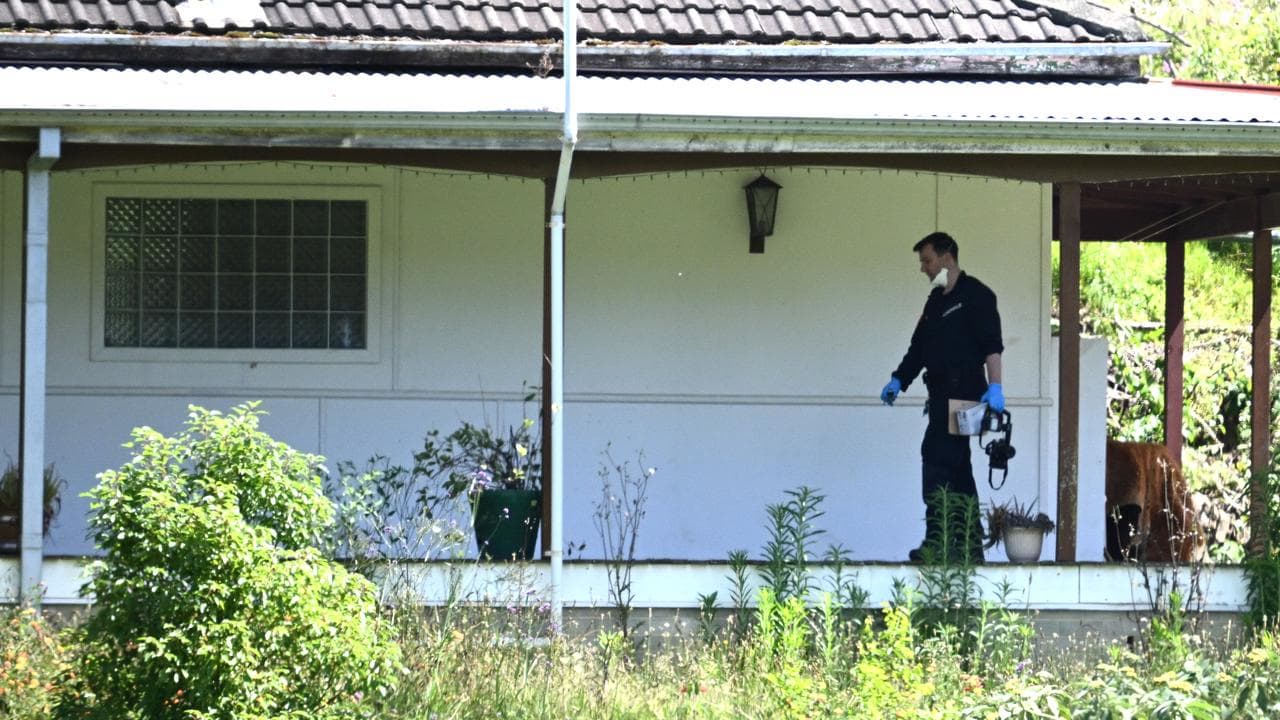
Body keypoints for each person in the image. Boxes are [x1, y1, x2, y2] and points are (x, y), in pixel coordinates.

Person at [879, 231, 1004, 563]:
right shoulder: (935, 302)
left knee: (937, 458)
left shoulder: (977, 296)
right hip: (939, 398)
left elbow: (992, 346)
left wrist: (996, 387)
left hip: (966, 398)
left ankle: (938, 540)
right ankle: (970, 545)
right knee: (957, 467)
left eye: (927, 260)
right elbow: (918, 348)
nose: (923, 268)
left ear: (947, 257)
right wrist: (898, 380)